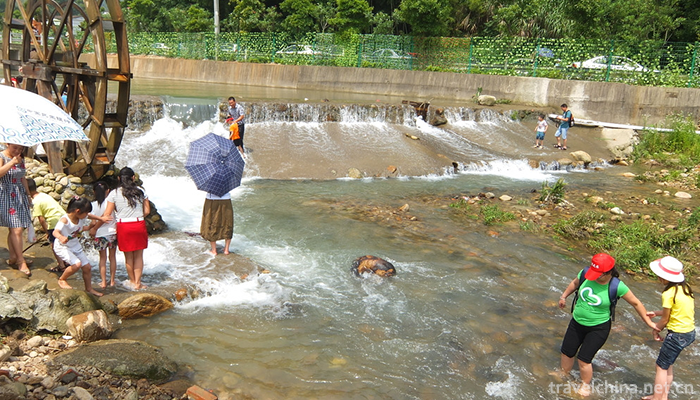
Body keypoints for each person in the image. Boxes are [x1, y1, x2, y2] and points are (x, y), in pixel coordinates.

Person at [557, 253, 657, 397]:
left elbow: (635, 302)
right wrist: (564, 296)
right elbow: (574, 283)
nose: (595, 276)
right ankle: (563, 373)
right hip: (577, 322)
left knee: (584, 358)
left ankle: (585, 385)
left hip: (598, 328)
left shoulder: (617, 286)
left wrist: (648, 322)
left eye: (599, 274)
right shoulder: (585, 273)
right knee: (567, 351)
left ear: (609, 272)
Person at [643, 256, 695, 400]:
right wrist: (656, 312)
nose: (658, 277)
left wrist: (655, 329)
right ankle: (664, 396)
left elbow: (665, 319)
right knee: (668, 364)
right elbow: (676, 310)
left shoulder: (668, 293)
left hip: (677, 334)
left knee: (661, 366)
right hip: (689, 333)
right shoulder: (685, 288)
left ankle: (657, 397)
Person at [102, 167, 150, 290]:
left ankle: (133, 282)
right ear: (133, 177)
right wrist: (137, 216)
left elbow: (107, 214)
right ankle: (139, 283)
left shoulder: (114, 193)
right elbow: (147, 211)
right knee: (139, 256)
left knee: (128, 257)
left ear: (119, 178)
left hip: (124, 226)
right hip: (139, 224)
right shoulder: (140, 191)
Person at [53, 196, 102, 296]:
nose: (87, 215)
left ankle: (89, 289)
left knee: (87, 267)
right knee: (77, 264)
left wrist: (99, 220)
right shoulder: (65, 220)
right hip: (62, 247)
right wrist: (61, 237)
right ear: (78, 211)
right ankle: (62, 279)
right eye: (86, 212)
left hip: (75, 246)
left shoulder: (80, 217)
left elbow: (83, 223)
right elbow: (55, 232)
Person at [0, 144, 33, 276]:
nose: (18, 151)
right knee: (16, 228)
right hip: (5, 194)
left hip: (19, 194)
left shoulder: (20, 158)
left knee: (15, 228)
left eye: (21, 149)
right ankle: (20, 261)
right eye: (15, 148)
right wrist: (12, 162)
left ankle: (13, 256)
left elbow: (22, 177)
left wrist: (28, 194)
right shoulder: (2, 156)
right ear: (8, 144)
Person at [27, 178, 66, 272]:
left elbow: (41, 219)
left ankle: (62, 266)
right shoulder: (43, 195)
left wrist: (47, 232)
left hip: (54, 221)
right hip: (63, 218)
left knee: (54, 245)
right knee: (62, 242)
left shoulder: (35, 202)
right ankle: (66, 261)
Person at [88, 182, 117, 288]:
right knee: (112, 257)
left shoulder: (93, 205)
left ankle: (104, 282)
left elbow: (93, 221)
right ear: (108, 191)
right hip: (112, 232)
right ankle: (113, 281)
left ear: (94, 192)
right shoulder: (111, 203)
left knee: (102, 259)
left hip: (100, 234)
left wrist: (90, 228)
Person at [201, 191, 234, 256]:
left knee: (211, 222)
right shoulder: (227, 180)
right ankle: (226, 250)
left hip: (212, 200)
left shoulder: (210, 180)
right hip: (226, 200)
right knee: (228, 223)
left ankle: (214, 250)